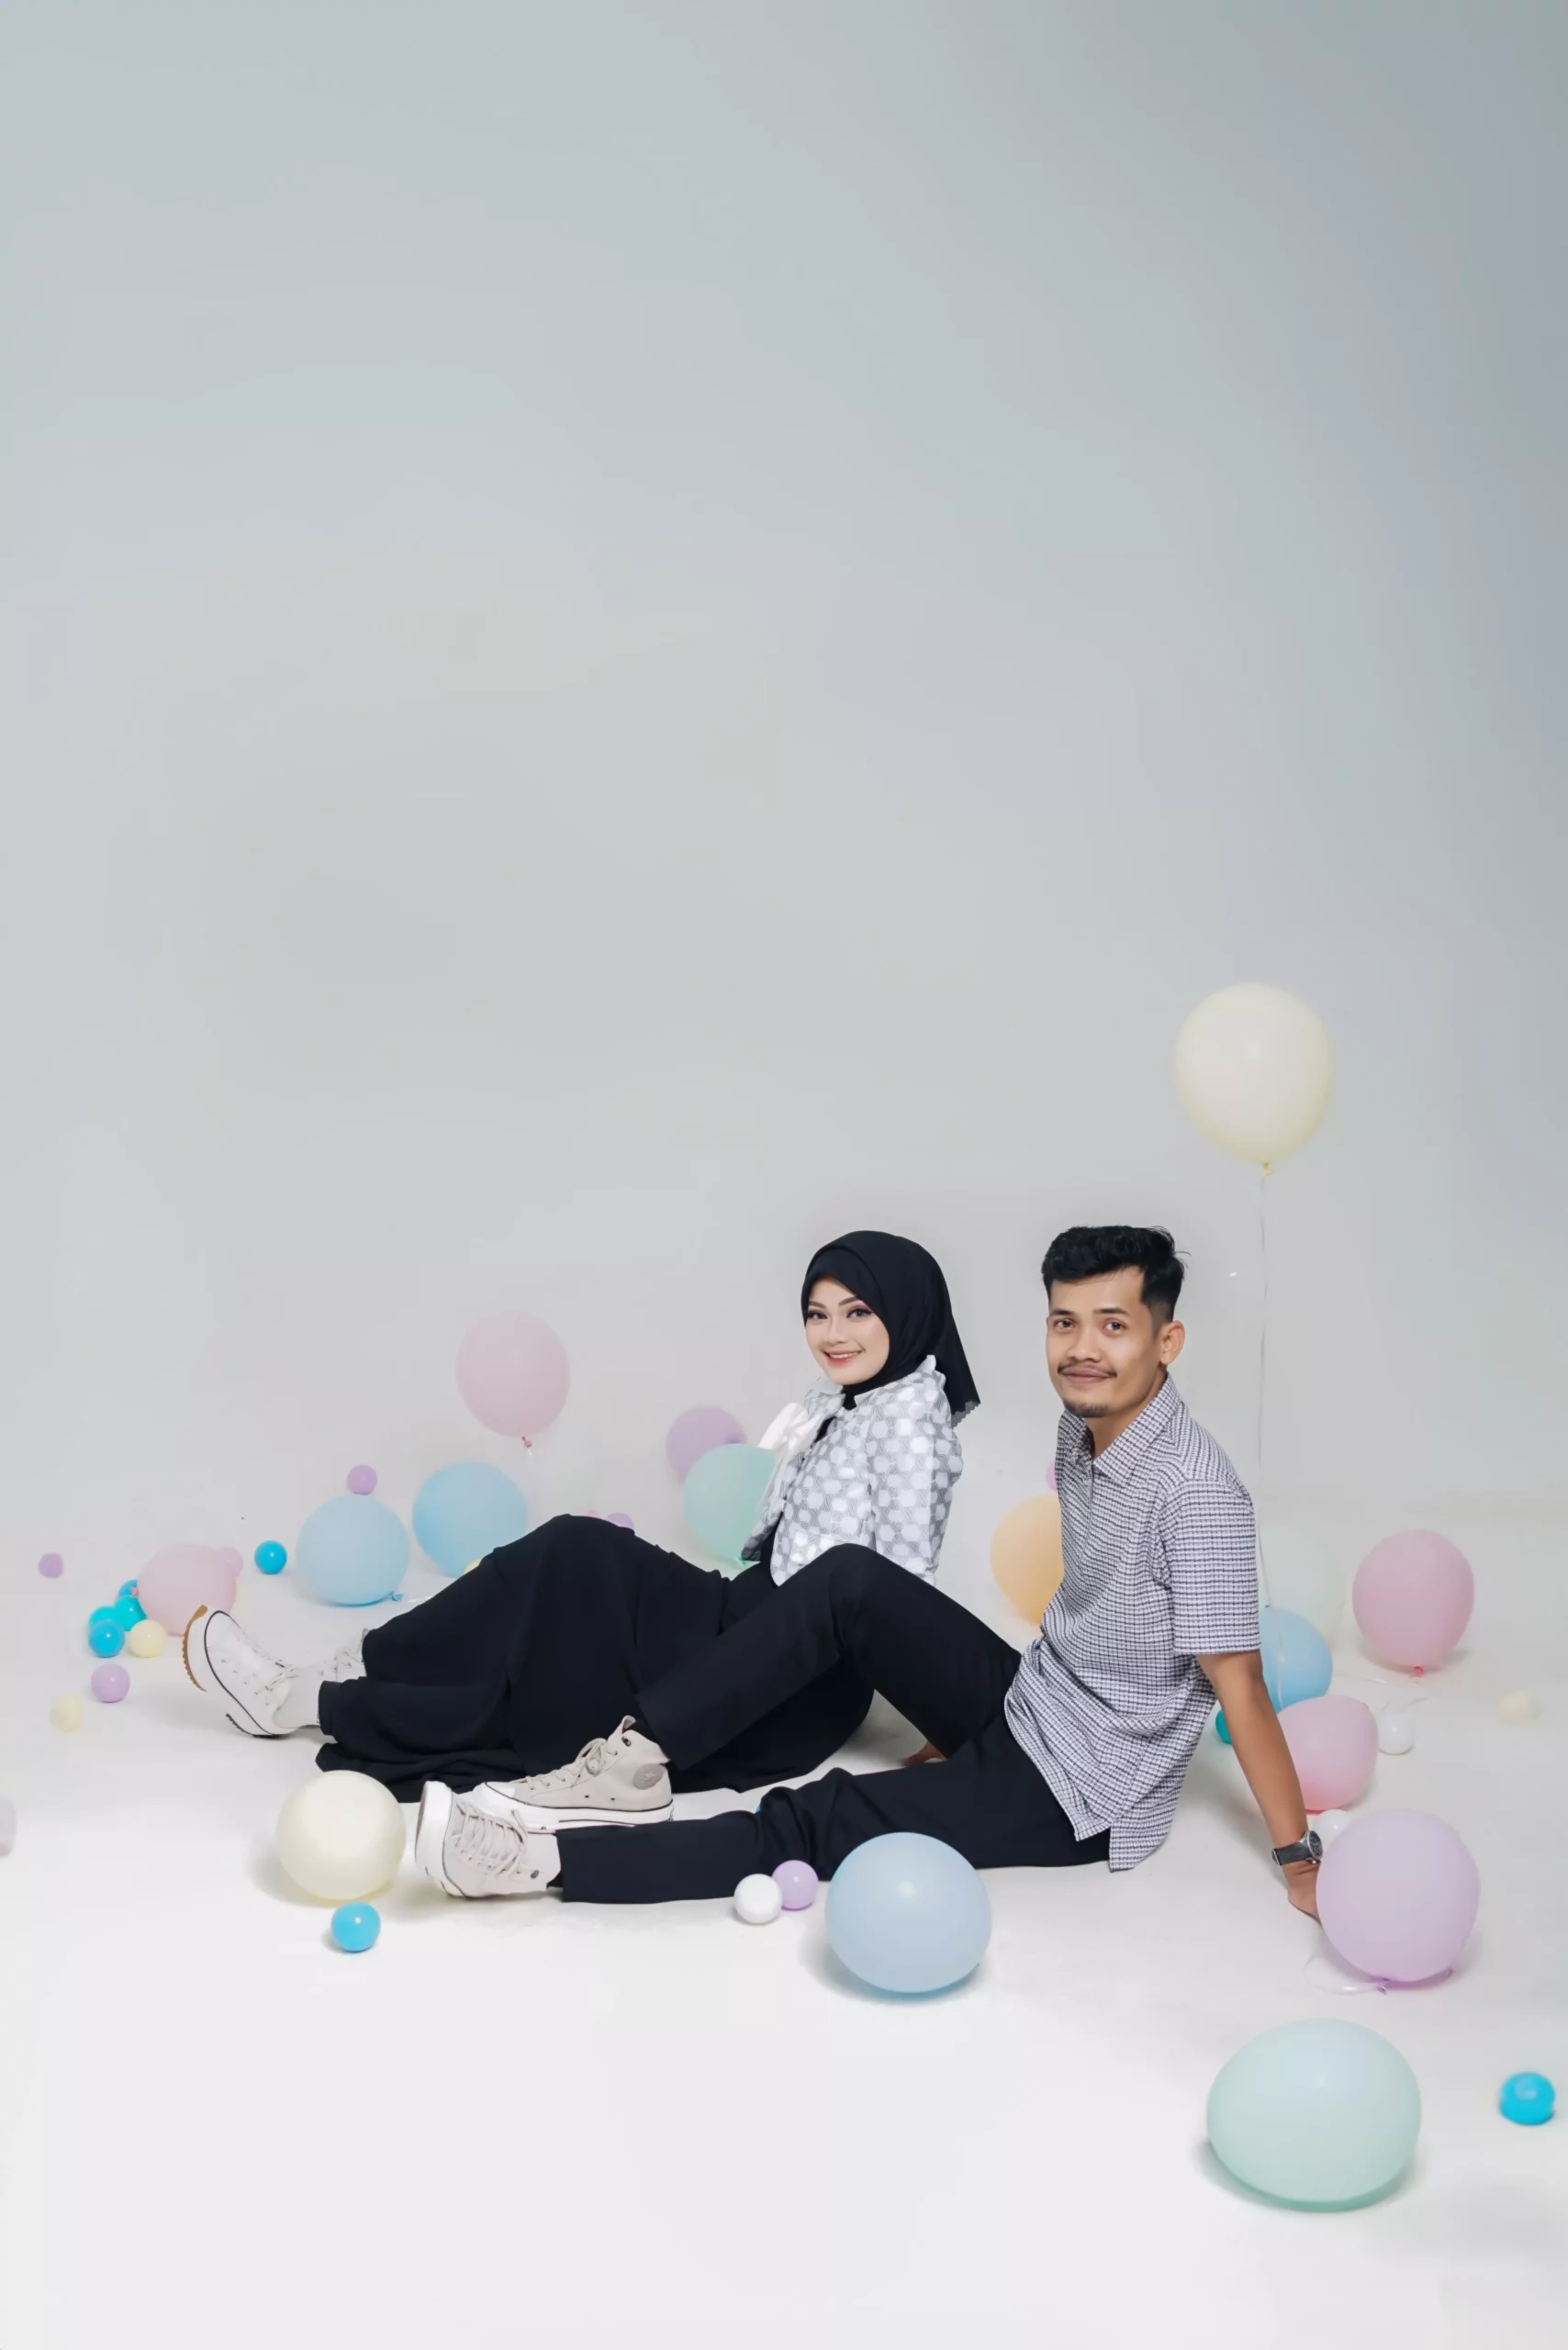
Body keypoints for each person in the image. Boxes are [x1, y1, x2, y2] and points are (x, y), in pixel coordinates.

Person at [412, 1225, 1323, 1924]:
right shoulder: (1083, 1426)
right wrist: (947, 1709)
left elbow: (1238, 1687)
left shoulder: (1198, 1494)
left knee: (821, 1816)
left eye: (1113, 1326)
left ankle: (543, 1863)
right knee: (850, 1577)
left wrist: (1297, 1856)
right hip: (1027, 1696)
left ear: (1167, 1340)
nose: (1083, 1348)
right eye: (1065, 1323)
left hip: (1079, 1787)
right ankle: (635, 1760)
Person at [182, 1230, 980, 1805]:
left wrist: (945, 1722)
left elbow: (897, 1595)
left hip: (785, 1676)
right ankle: (361, 1661)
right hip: (745, 1609)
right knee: (576, 1547)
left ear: (905, 1313)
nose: (832, 1335)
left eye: (856, 1313)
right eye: (817, 1313)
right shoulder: (852, 1402)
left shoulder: (911, 1424)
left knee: (565, 1679)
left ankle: (304, 1704)